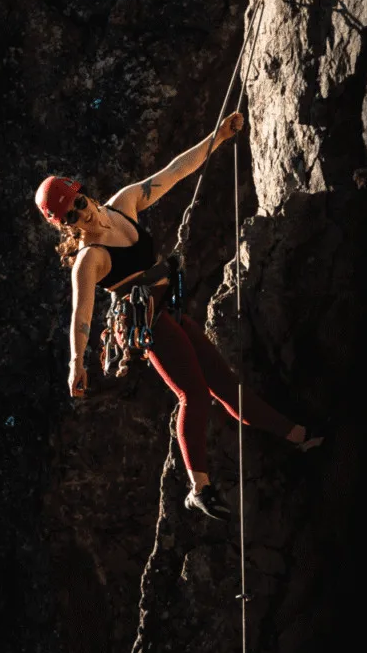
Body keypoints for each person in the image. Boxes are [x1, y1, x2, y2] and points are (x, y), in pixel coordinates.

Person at [34, 112, 321, 520]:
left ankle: (299, 436)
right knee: (195, 395)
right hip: (148, 325)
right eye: (72, 218)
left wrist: (218, 137)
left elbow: (174, 172)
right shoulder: (89, 259)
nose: (84, 216)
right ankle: (199, 489)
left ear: (85, 194)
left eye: (80, 204)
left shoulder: (123, 204)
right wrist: (75, 364)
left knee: (225, 385)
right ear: (65, 227)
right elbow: (81, 314)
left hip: (168, 312)